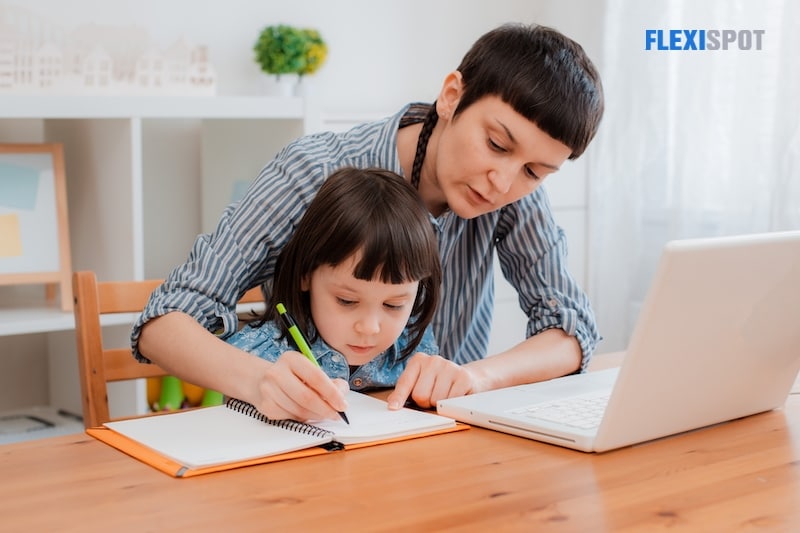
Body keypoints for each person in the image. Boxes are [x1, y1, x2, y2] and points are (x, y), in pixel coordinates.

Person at [134, 22, 604, 422]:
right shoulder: (313, 172)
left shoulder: (511, 191)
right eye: (497, 144)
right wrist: (260, 379)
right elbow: (163, 322)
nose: (503, 182)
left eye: (535, 172)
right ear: (451, 96)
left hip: (429, 442)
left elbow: (572, 330)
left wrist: (474, 377)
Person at [225, 167, 442, 421]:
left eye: (394, 305)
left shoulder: (414, 344)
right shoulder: (262, 352)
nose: (369, 327)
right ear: (306, 274)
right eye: (347, 301)